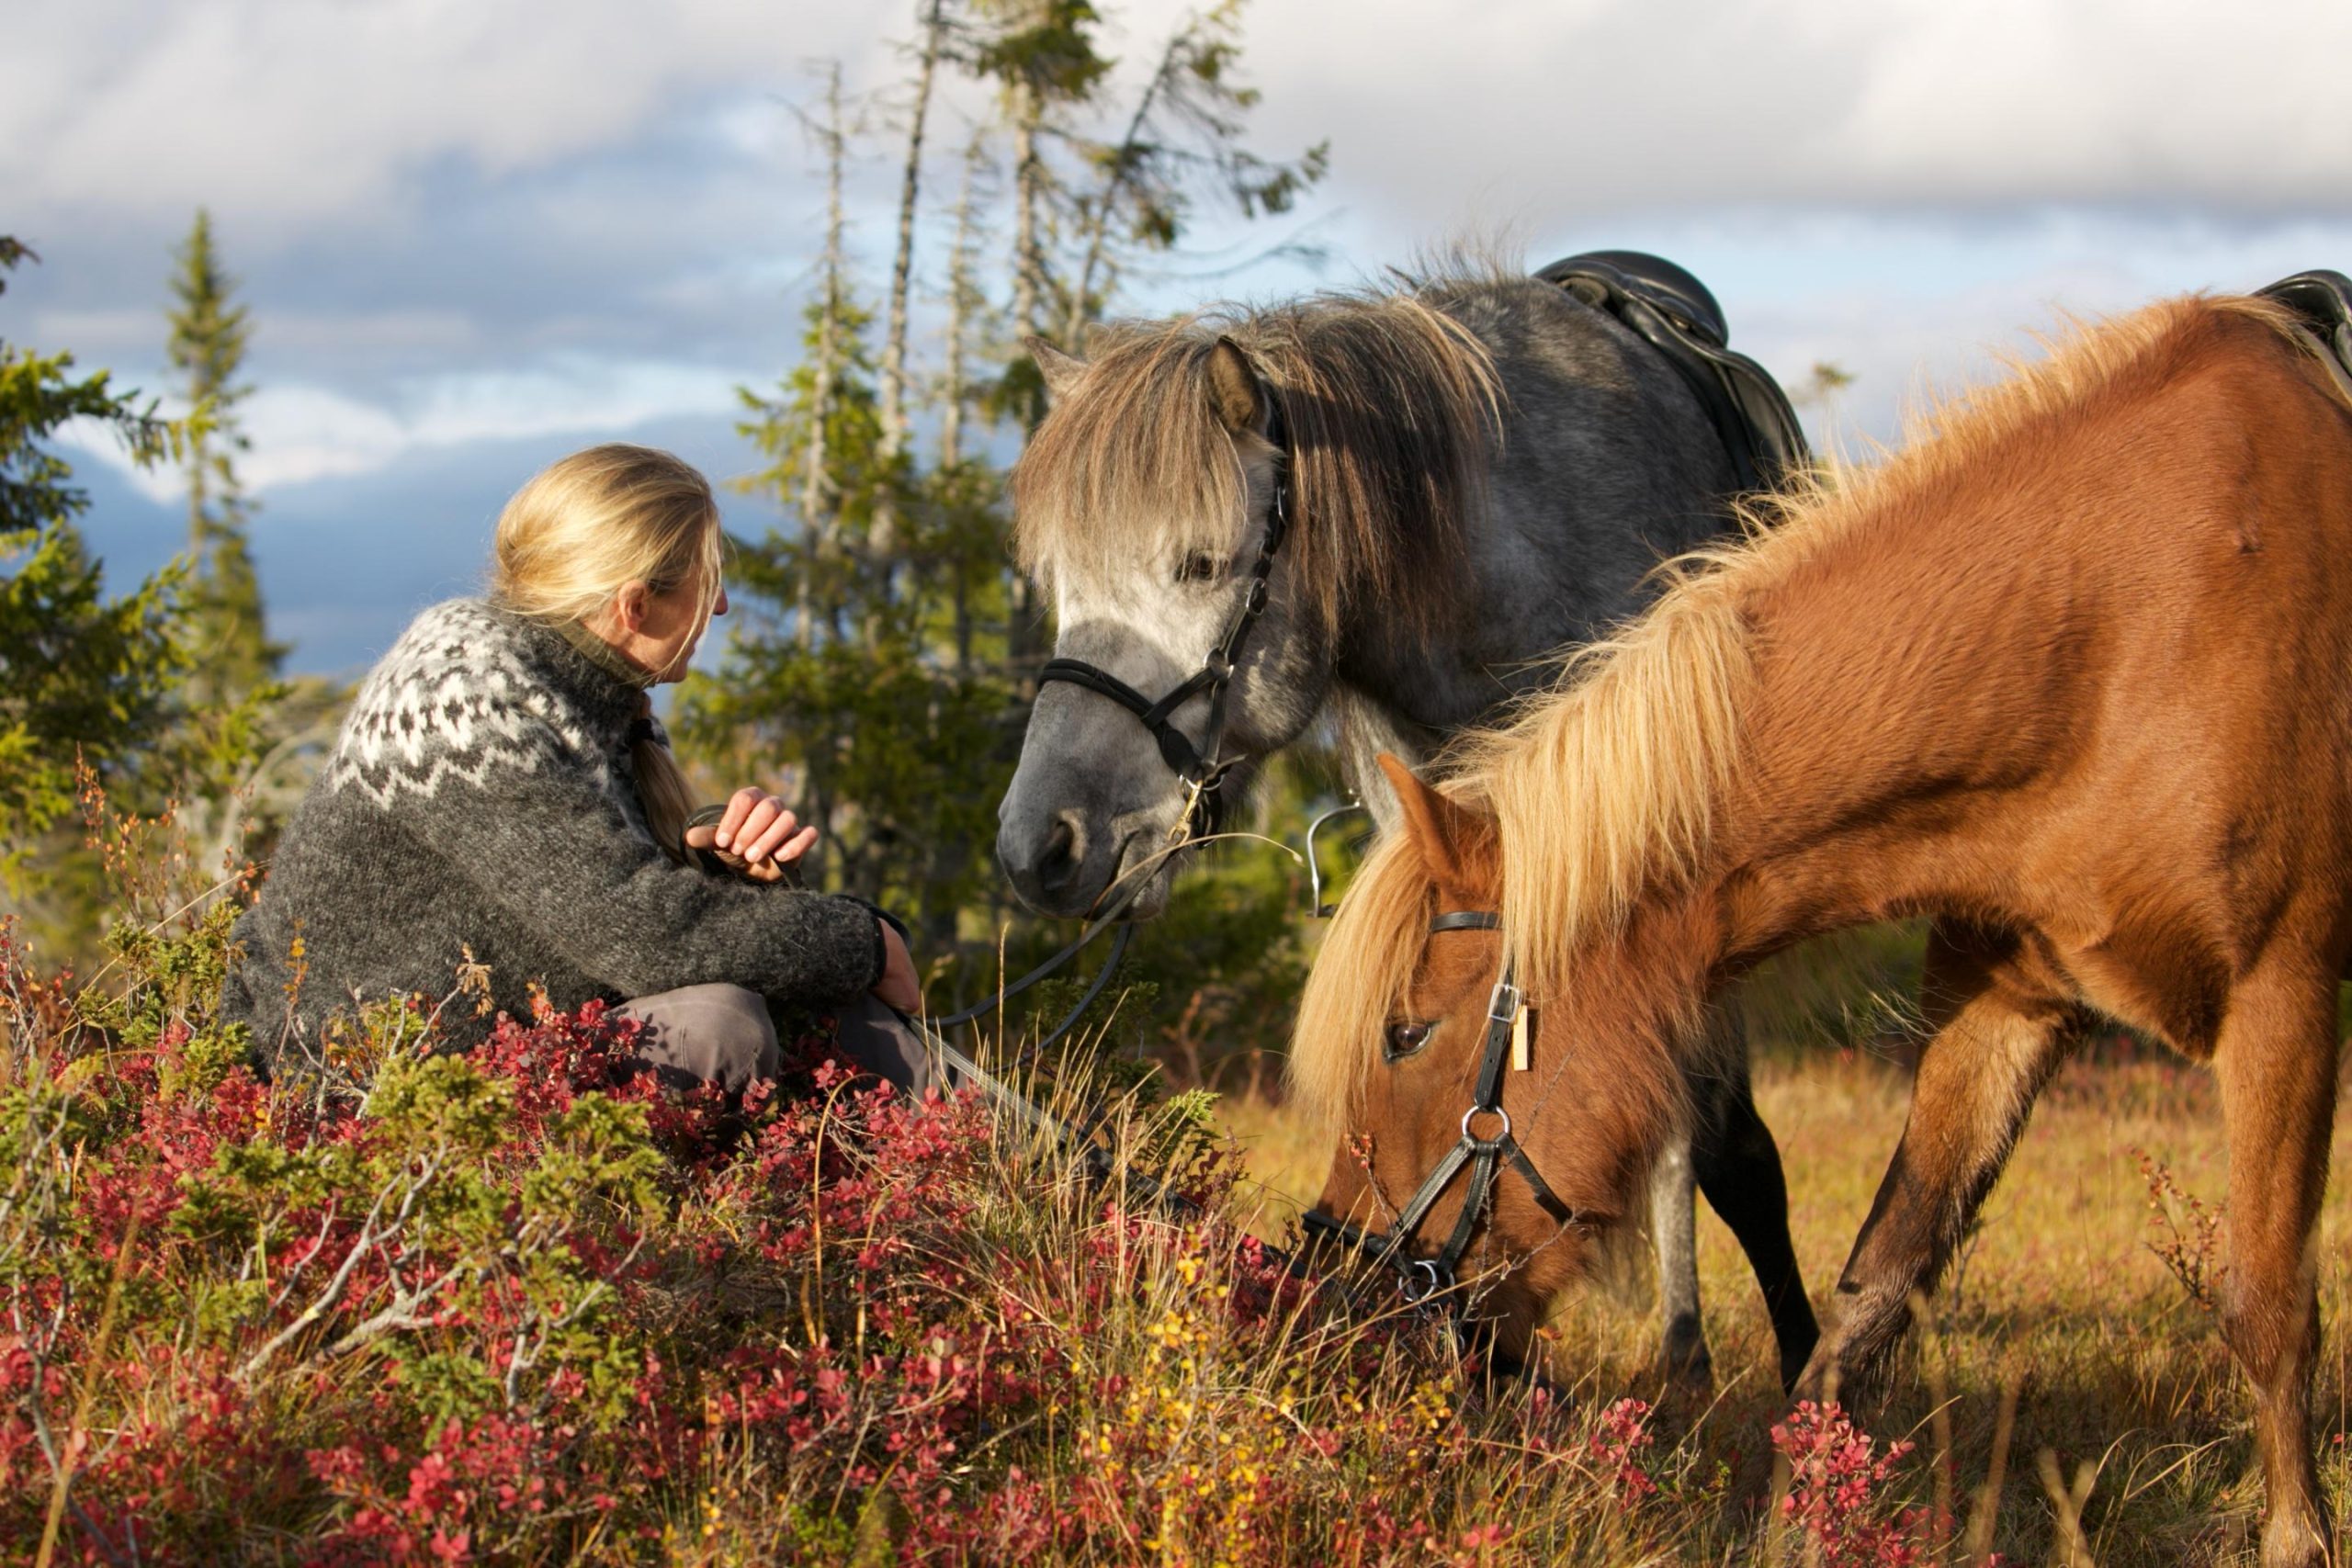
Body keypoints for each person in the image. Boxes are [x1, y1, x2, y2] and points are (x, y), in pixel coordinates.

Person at [220, 443, 930, 1095]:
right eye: (706, 583)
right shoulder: (460, 694)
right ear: (636, 603)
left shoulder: (599, 701)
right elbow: (640, 935)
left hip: (505, 1052)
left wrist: (733, 875)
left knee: (832, 1015)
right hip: (361, 1089)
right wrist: (867, 942)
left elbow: (601, 915)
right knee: (723, 1027)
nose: (717, 605)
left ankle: (1011, 1177)